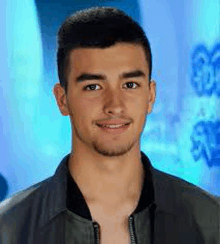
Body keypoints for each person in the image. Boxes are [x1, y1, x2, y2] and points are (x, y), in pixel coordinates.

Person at [0, 6, 219, 244]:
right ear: (62, 100)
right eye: (93, 86)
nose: (115, 105)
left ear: (151, 96)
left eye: (130, 85)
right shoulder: (10, 227)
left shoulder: (209, 220)